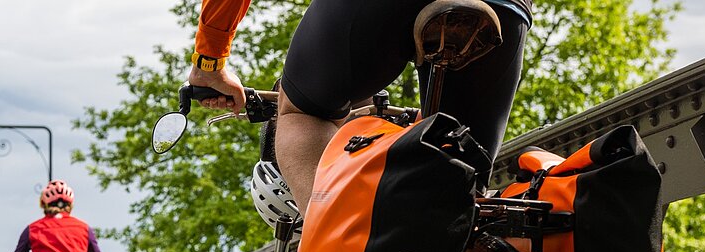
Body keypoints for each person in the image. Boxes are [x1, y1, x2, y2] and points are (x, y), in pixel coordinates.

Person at [188, 0, 531, 212]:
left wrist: (209, 62)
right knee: (463, 201)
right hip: (506, 7)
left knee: (303, 113)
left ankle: (341, 244)